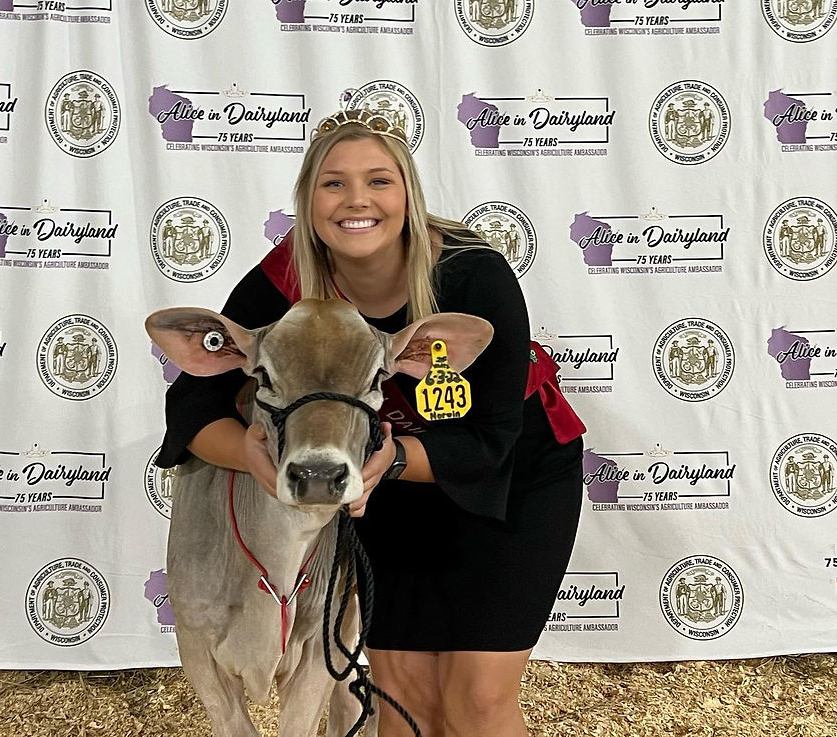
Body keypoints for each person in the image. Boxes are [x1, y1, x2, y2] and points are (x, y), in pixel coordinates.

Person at [155, 109, 585, 737]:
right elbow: (193, 406)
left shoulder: (472, 275)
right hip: (383, 488)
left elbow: (492, 440)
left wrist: (389, 460)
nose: (357, 200)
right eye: (334, 183)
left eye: (379, 181)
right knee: (404, 698)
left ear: (408, 194)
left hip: (513, 480)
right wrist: (253, 458)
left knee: (479, 700)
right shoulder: (285, 279)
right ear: (308, 200)